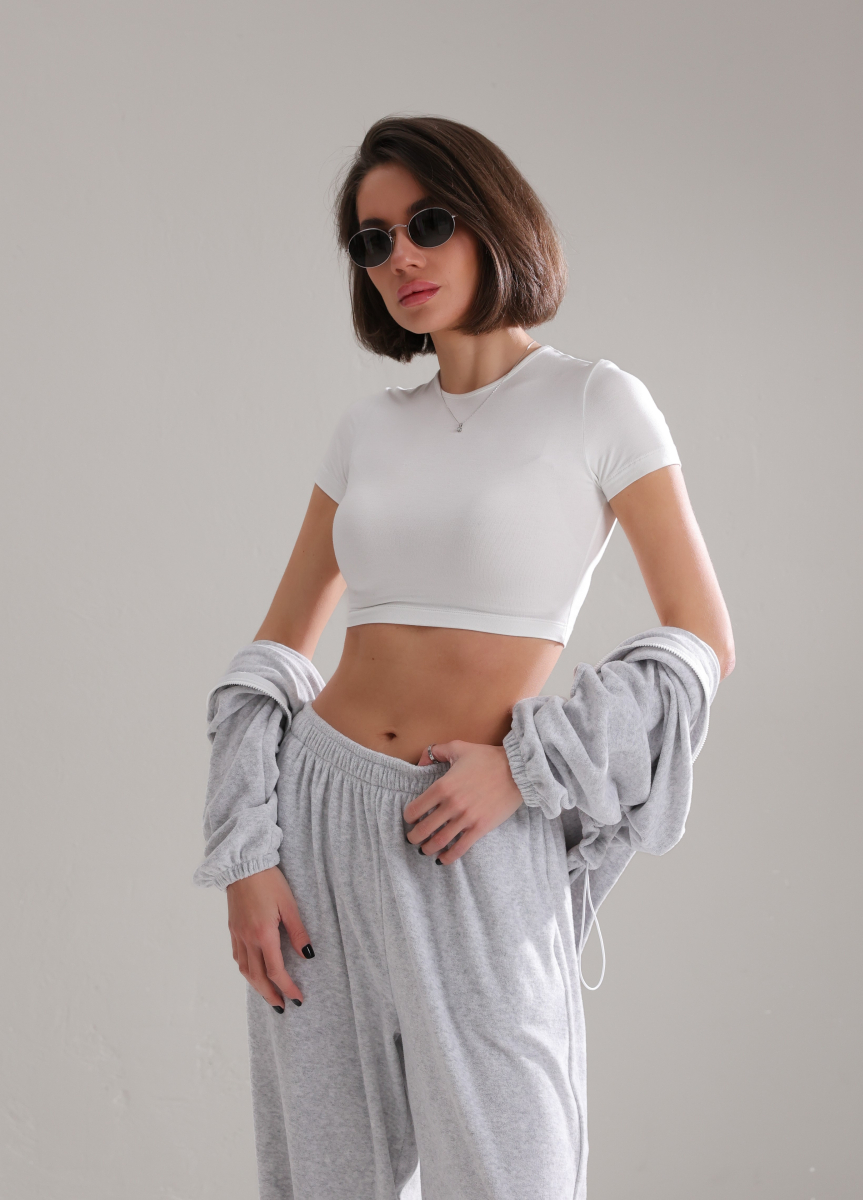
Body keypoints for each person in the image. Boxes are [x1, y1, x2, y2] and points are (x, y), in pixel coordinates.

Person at [195, 115, 735, 1200]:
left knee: (512, 1172)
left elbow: (702, 639)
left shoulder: (597, 402)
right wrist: (246, 852)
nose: (400, 256)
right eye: (373, 241)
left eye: (427, 224)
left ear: (492, 221)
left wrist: (526, 770)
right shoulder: (366, 429)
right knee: (324, 1180)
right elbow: (278, 646)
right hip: (315, 822)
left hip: (472, 826)